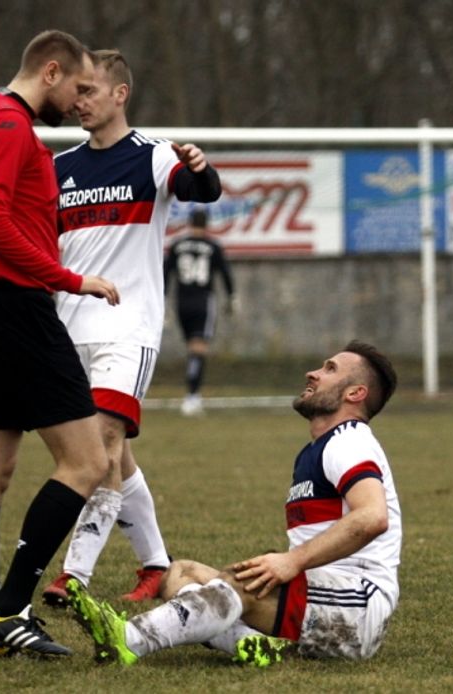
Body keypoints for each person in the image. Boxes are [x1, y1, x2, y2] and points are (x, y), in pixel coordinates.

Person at [0, 29, 121, 660]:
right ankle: (10, 607)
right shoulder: (9, 127)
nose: (78, 101)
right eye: (76, 86)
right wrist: (70, 279)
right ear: (50, 72)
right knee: (88, 462)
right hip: (15, 307)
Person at [66, 341, 401, 666]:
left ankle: (128, 638)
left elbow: (372, 516)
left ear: (355, 393)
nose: (313, 373)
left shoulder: (349, 441)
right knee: (179, 573)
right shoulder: (318, 448)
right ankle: (250, 644)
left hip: (356, 604)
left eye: (330, 369)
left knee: (239, 585)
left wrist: (292, 561)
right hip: (321, 597)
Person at [43, 49, 223, 606]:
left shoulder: (152, 157)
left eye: (90, 91)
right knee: (112, 458)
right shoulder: (60, 168)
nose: (79, 102)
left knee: (101, 446)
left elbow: (204, 191)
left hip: (128, 329)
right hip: (68, 332)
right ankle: (155, 567)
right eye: (76, 92)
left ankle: (75, 577)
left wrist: (198, 166)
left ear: (120, 94)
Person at [164, 208, 235, 416]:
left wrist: (163, 300)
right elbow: (225, 273)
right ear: (207, 224)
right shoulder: (212, 246)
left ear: (189, 222)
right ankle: (192, 397)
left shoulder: (177, 245)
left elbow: (166, 273)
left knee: (190, 347)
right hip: (203, 301)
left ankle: (191, 396)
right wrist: (232, 297)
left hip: (181, 302)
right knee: (198, 349)